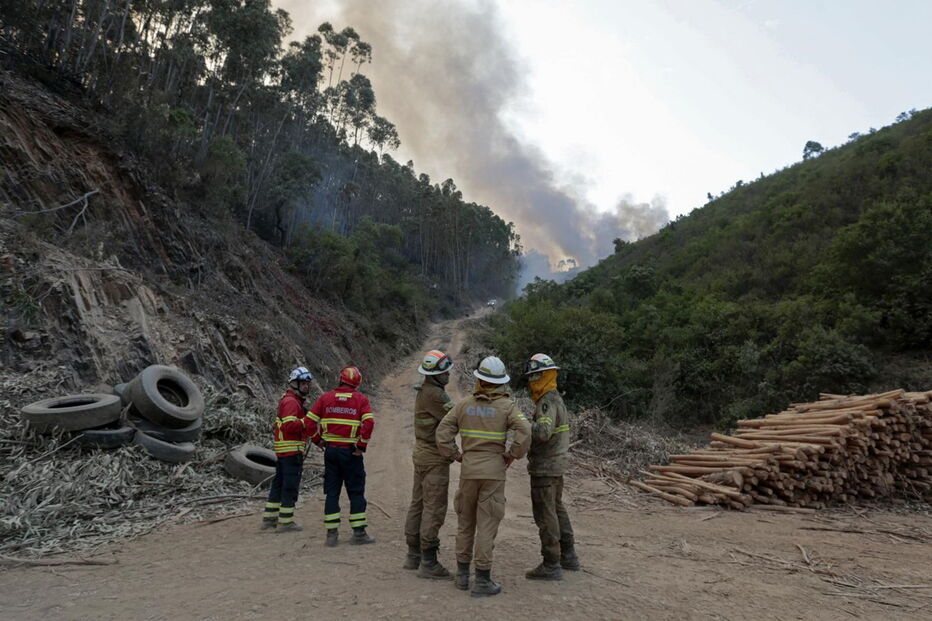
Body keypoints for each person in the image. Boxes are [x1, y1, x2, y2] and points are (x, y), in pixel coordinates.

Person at [436, 356, 531, 597]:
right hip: (494, 473)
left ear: (479, 379)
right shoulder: (507, 407)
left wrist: (455, 455)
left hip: (469, 471)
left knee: (465, 524)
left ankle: (462, 576)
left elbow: (442, 432)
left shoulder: (463, 405)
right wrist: (513, 454)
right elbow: (525, 429)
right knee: (487, 526)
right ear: (500, 383)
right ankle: (482, 580)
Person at [522, 353, 579, 579]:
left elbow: (543, 433)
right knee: (557, 509)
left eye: (534, 376)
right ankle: (569, 556)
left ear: (544, 375)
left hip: (545, 467)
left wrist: (523, 423)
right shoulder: (556, 399)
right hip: (556, 465)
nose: (531, 381)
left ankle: (551, 563)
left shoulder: (546, 402)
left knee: (545, 515)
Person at [306, 366, 376, 546]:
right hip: (351, 452)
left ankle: (331, 535)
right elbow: (368, 423)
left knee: (332, 492)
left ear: (340, 379)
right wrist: (361, 445)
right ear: (357, 382)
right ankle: (359, 534)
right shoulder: (361, 399)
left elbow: (308, 422)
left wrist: (318, 441)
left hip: (330, 452)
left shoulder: (325, 398)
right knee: (356, 491)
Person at [404, 350, 456, 578]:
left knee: (418, 504)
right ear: (434, 375)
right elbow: (455, 419)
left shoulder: (424, 390)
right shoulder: (436, 394)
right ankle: (429, 562)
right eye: (444, 372)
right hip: (434, 457)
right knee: (434, 507)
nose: (448, 375)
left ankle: (413, 555)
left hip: (422, 454)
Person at [262, 366, 313, 533]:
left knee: (278, 484)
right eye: (303, 383)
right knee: (290, 486)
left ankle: (269, 519)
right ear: (294, 383)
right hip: (291, 453)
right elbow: (290, 426)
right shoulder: (291, 402)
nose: (306, 386)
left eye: (307, 384)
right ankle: (286, 522)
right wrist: (307, 421)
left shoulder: (290, 400)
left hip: (285, 452)